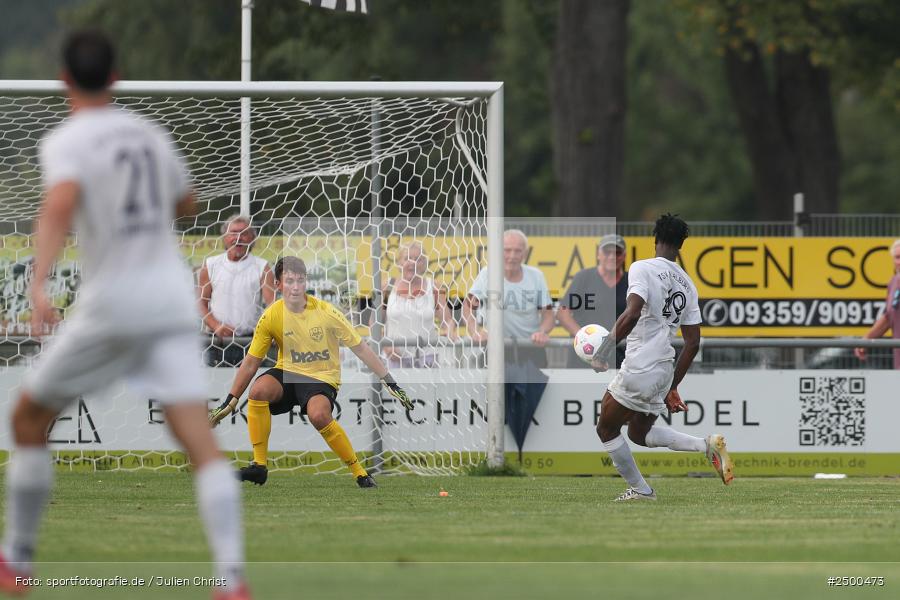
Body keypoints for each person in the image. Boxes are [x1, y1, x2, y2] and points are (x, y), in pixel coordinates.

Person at [0, 31, 250, 600]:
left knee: (27, 420)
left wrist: (39, 283)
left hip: (113, 300)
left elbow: (60, 201)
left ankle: (16, 560)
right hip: (168, 298)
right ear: (116, 77)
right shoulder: (148, 133)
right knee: (196, 438)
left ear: (64, 79)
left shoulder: (68, 139)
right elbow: (186, 202)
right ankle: (231, 576)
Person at [208, 257, 413, 488]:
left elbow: (361, 348)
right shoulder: (271, 316)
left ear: (306, 282)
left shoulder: (326, 312)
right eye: (289, 281)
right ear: (277, 284)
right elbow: (251, 363)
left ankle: (361, 473)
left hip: (321, 376)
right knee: (258, 391)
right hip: (287, 371)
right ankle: (259, 467)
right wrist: (230, 401)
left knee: (318, 415)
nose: (295, 286)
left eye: (300, 280)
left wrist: (389, 381)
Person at [592, 214, 733, 502]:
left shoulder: (642, 267)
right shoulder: (688, 284)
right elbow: (693, 342)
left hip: (641, 364)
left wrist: (604, 349)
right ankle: (706, 446)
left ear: (654, 239)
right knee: (639, 433)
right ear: (681, 245)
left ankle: (642, 491)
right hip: (663, 368)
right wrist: (672, 385)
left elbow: (632, 313)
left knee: (606, 428)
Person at [462, 230, 554, 367]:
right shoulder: (487, 274)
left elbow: (549, 316)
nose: (512, 256)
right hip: (495, 349)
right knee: (491, 388)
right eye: (507, 250)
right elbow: (468, 306)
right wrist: (475, 331)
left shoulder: (536, 276)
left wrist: (541, 333)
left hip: (531, 348)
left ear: (525, 253)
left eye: (518, 251)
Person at [198, 214, 275, 366]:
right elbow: (200, 303)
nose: (238, 237)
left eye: (244, 233)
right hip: (216, 341)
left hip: (250, 341)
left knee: (249, 388)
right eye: (233, 233)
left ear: (252, 238)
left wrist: (271, 331)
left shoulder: (262, 267)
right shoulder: (211, 264)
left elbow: (272, 305)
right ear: (225, 237)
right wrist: (216, 326)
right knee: (215, 387)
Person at [379, 241, 457, 368]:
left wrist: (450, 331)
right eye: (407, 258)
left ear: (424, 264)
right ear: (399, 263)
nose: (413, 263)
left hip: (427, 359)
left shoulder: (434, 287)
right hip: (394, 360)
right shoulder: (387, 286)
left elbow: (447, 320)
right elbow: (374, 322)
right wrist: (386, 346)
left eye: (418, 259)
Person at [558, 234, 629, 368]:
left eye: (617, 252)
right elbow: (563, 312)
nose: (612, 257)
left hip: (621, 358)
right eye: (607, 252)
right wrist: (584, 338)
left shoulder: (632, 280)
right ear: (598, 254)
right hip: (583, 357)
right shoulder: (584, 277)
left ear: (624, 256)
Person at [855, 239, 900, 369]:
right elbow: (889, 317)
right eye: (897, 257)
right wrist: (866, 339)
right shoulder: (894, 282)